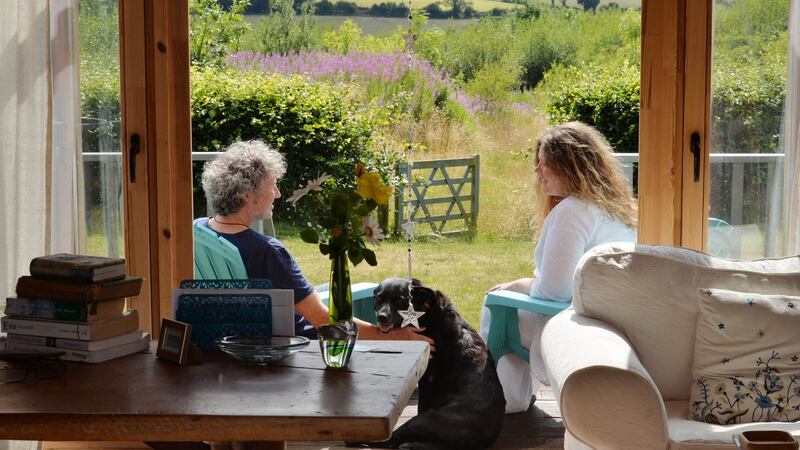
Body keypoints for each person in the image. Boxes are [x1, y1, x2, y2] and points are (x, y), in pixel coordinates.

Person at [197, 140, 432, 345]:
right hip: (302, 344)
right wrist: (392, 337)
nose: (278, 193)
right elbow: (323, 320)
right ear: (247, 195)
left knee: (322, 292)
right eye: (272, 186)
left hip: (234, 339)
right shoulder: (267, 252)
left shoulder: (199, 231)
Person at [479, 122, 637, 414]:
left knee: (494, 305)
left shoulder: (573, 211)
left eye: (544, 163)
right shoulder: (614, 210)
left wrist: (520, 284)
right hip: (613, 318)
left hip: (571, 319)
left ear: (569, 166)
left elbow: (554, 290)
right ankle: (510, 396)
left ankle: (497, 399)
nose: (537, 171)